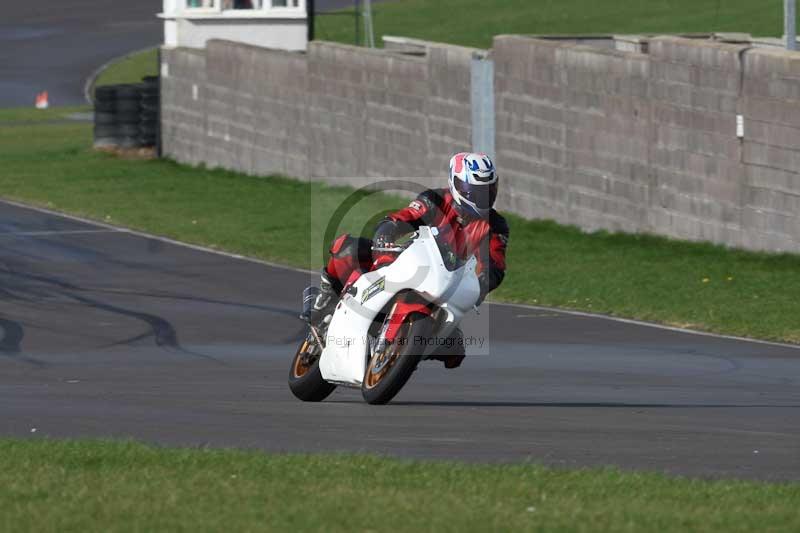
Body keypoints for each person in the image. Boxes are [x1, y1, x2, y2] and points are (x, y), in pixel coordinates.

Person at [302, 152, 509, 368]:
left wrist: (483, 282)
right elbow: (406, 216)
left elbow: (495, 262)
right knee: (347, 247)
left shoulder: (496, 226)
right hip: (411, 263)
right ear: (456, 183)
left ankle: (409, 348)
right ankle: (325, 296)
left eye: (487, 191)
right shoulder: (435, 199)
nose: (480, 197)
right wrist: (388, 229)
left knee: (456, 350)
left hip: (446, 287)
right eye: (474, 191)